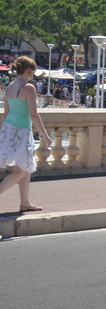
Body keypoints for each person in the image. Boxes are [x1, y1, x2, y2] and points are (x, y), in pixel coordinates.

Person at [0, 56, 52, 212]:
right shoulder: (29, 88)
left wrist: (2, 133)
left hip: (9, 129)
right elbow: (34, 114)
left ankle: (25, 203)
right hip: (22, 131)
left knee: (26, 167)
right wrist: (45, 135)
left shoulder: (10, 86)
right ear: (29, 70)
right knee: (21, 170)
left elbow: (6, 113)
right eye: (34, 71)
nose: (34, 74)